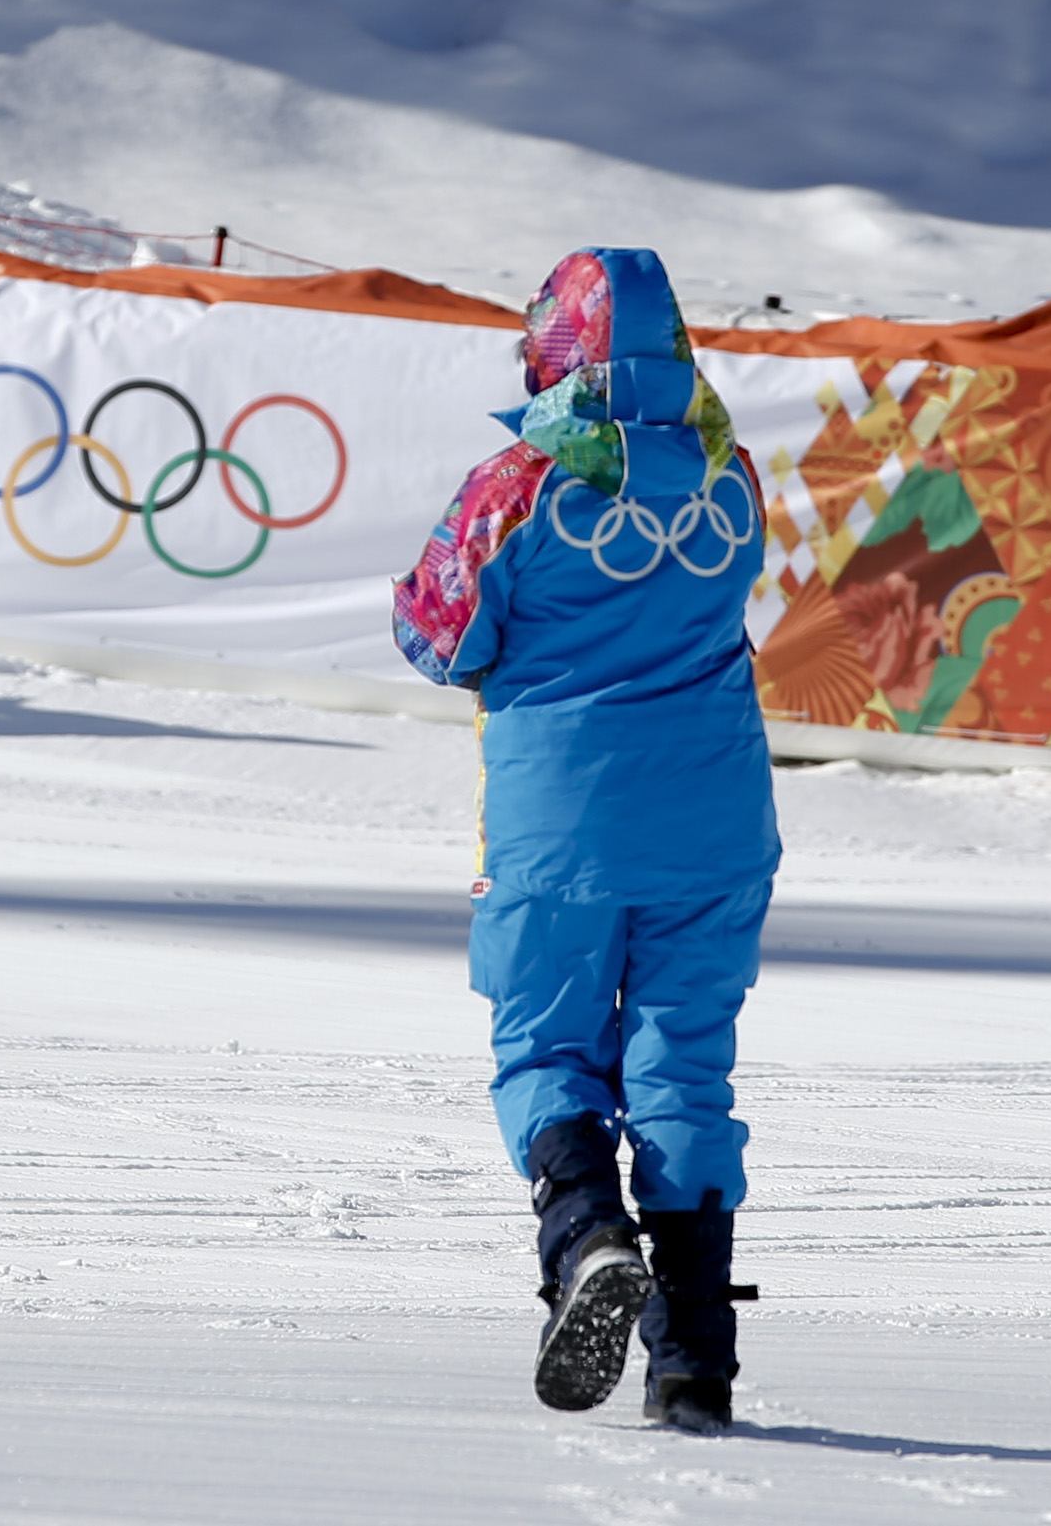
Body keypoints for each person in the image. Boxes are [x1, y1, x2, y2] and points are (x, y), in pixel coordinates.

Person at [391, 247, 779, 1435]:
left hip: (559, 821)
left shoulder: (516, 483)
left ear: (552, 349)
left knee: (546, 1042)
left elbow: (438, 631)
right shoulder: (730, 473)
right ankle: (692, 1360)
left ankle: (585, 1237)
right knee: (682, 1068)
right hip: (714, 815)